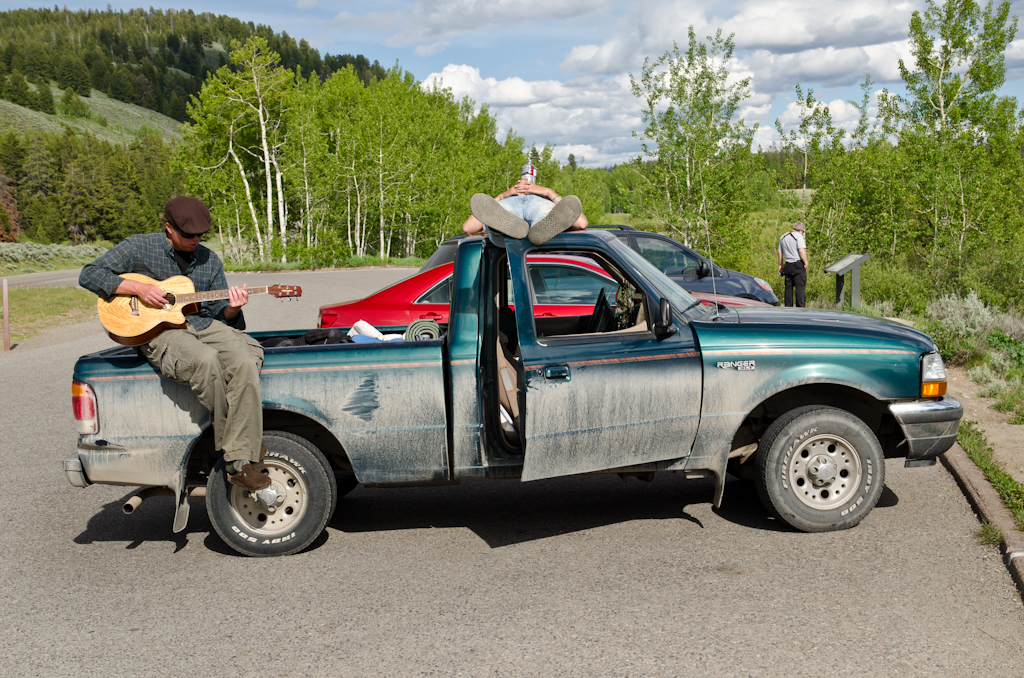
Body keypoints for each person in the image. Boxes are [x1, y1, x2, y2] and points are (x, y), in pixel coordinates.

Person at [79, 197, 270, 491]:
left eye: (200, 235)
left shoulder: (210, 260)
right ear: (169, 228)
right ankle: (238, 458)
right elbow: (89, 274)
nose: (196, 240)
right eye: (188, 235)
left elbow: (222, 315)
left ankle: (238, 447)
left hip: (203, 323)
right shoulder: (138, 247)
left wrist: (233, 307)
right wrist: (138, 288)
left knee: (245, 359)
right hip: (160, 331)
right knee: (205, 360)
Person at [463, 164, 588, 245]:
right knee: (540, 215)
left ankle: (499, 232)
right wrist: (506, 194)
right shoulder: (508, 197)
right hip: (515, 203)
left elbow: (581, 223)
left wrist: (547, 192)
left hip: (528, 203)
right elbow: (468, 228)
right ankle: (506, 228)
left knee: (540, 215)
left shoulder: (543, 195)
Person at [778, 220, 808, 307]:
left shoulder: (783, 237)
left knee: (788, 288)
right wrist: (806, 262)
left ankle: (788, 308)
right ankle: (800, 308)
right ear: (801, 230)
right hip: (797, 264)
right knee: (800, 288)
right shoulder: (798, 236)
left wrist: (781, 264)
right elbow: (801, 250)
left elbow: (780, 252)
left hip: (787, 264)